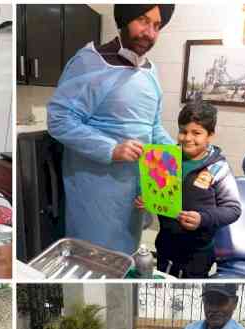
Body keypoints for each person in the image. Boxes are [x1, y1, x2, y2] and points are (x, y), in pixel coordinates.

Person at [47, 5, 176, 255]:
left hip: (136, 193)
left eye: (157, 26)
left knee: (126, 255)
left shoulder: (150, 71)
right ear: (125, 19)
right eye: (142, 20)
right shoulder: (90, 62)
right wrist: (111, 149)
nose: (149, 32)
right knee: (94, 258)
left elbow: (153, 127)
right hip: (97, 193)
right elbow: (59, 118)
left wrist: (176, 162)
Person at [134, 102, 241, 277]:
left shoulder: (218, 168)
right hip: (165, 245)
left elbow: (233, 209)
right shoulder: (165, 159)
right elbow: (159, 193)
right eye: (183, 131)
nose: (187, 138)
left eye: (196, 133)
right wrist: (148, 200)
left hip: (197, 254)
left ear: (210, 135)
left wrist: (202, 218)